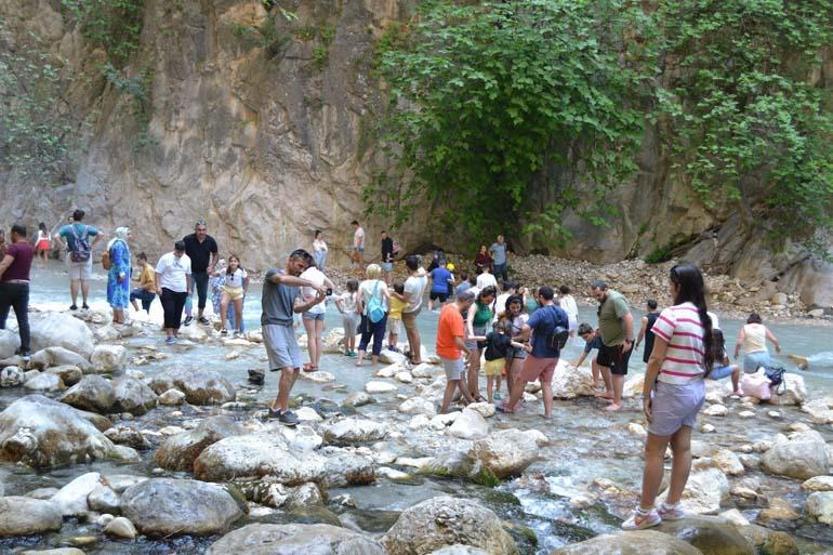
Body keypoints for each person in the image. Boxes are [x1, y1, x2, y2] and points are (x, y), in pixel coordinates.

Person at [622, 263, 714, 530]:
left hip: (673, 389)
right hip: (695, 389)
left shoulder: (671, 315)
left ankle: (645, 513)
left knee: (654, 451)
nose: (668, 287)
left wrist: (645, 394)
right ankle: (672, 506)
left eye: (670, 283)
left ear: (678, 286)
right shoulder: (705, 317)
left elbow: (655, 359)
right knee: (682, 447)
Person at [262, 249, 326, 426]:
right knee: (288, 369)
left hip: (287, 326)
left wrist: (313, 303)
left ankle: (275, 408)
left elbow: (297, 308)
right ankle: (285, 411)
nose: (300, 270)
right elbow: (282, 280)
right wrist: (311, 283)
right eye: (299, 266)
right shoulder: (273, 274)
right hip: (272, 324)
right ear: (290, 260)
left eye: (303, 269)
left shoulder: (296, 286)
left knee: (297, 368)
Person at [499, 286, 568, 418]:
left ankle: (509, 408)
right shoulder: (562, 312)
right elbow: (566, 332)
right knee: (546, 383)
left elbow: (525, 327)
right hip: (554, 354)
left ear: (541, 297)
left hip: (539, 354)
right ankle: (548, 414)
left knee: (521, 380)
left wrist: (526, 341)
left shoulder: (541, 312)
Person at [591, 280, 634, 412]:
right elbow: (609, 318)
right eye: (594, 296)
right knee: (601, 363)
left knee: (617, 372)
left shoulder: (616, 299)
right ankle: (610, 391)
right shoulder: (604, 301)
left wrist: (629, 340)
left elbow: (629, 318)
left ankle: (617, 402)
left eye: (598, 295)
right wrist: (600, 330)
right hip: (606, 341)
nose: (597, 298)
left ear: (606, 290)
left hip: (619, 342)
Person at [437, 290, 477, 413]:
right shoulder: (456, 316)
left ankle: (471, 401)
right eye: (470, 305)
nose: (469, 308)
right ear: (467, 302)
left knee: (459, 377)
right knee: (453, 381)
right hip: (451, 352)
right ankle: (443, 411)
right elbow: (458, 342)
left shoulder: (446, 307)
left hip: (443, 347)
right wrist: (469, 352)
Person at [56, 209, 101, 310]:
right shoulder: (87, 228)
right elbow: (100, 234)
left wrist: (64, 246)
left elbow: (56, 236)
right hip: (86, 256)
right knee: (85, 280)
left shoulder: (67, 228)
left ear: (73, 217)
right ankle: (85, 303)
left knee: (74, 280)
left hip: (73, 255)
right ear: (82, 217)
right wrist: (92, 245)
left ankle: (74, 304)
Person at [0, 224, 34, 359]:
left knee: (1, 316)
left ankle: (1, 346)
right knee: (23, 319)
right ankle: (26, 350)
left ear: (15, 233)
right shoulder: (30, 248)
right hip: (24, 287)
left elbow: (4, 264)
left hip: (8, 286)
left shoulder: (14, 248)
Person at [480, 320, 527, 404]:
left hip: (489, 361)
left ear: (496, 328)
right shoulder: (506, 338)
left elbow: (482, 339)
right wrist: (524, 346)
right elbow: (514, 343)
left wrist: (470, 337)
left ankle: (490, 400)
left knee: (489, 381)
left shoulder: (491, 335)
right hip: (500, 361)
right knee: (499, 376)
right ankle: (498, 391)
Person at [299, 263, 335, 372]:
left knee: (311, 336)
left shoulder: (304, 275)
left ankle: (312, 363)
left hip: (310, 307)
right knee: (318, 337)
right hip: (321, 308)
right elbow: (332, 286)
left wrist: (305, 299)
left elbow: (299, 290)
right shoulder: (320, 273)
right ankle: (316, 363)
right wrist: (324, 296)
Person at [155, 241, 192, 345]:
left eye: (182, 252)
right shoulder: (165, 258)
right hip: (167, 287)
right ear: (175, 249)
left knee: (178, 312)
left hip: (181, 289)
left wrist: (189, 289)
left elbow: (188, 275)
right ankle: (169, 335)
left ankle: (175, 333)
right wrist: (158, 286)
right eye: (178, 252)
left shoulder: (187, 259)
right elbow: (157, 272)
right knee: (169, 310)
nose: (180, 254)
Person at [182, 219, 218, 326]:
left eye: (203, 230)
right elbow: (180, 252)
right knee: (188, 293)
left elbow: (215, 254)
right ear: (195, 230)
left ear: (206, 230)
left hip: (204, 273)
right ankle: (188, 315)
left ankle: (200, 316)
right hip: (190, 272)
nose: (201, 232)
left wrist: (211, 266)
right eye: (199, 230)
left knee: (203, 295)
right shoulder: (188, 239)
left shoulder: (210, 241)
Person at [465, 286, 497, 401]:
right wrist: (472, 335)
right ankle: (474, 393)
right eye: (488, 300)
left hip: (482, 336)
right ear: (482, 296)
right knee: (474, 366)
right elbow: (469, 320)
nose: (490, 302)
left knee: (476, 366)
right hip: (473, 336)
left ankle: (471, 390)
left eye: (491, 300)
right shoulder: (475, 306)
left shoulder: (486, 307)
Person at [395, 255, 428, 364]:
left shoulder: (410, 282)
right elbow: (425, 272)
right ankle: (412, 352)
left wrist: (393, 293)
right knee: (410, 331)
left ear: (408, 267)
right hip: (418, 304)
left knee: (413, 332)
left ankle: (417, 358)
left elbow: (404, 299)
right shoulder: (422, 272)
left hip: (409, 309)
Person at [356, 264, 390, 366]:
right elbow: (388, 296)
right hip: (380, 313)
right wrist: (389, 309)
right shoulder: (382, 284)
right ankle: (374, 364)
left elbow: (358, 298)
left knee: (365, 337)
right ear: (378, 273)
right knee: (378, 338)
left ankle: (359, 361)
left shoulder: (363, 284)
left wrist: (360, 308)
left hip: (367, 313)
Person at [501, 294, 529, 400]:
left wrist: (513, 339)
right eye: (513, 308)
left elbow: (527, 334)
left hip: (520, 346)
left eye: (518, 307)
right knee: (508, 372)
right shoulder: (504, 317)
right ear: (508, 307)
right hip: (507, 347)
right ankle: (511, 395)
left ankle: (517, 396)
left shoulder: (524, 318)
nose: (515, 310)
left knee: (516, 373)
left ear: (521, 306)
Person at [574, 323, 612, 396]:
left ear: (592, 332)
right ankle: (596, 383)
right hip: (604, 351)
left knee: (603, 365)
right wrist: (576, 366)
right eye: (583, 338)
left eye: (586, 337)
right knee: (594, 361)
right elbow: (584, 355)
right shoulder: (589, 342)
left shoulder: (599, 333)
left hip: (612, 349)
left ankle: (610, 389)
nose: (585, 339)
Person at [106, 227, 131, 325]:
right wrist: (121, 273)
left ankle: (116, 318)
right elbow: (118, 259)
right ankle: (120, 318)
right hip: (119, 273)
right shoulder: (119, 244)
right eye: (128, 234)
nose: (129, 236)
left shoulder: (116, 243)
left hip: (116, 272)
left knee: (116, 293)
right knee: (119, 294)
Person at [219, 255, 249, 336]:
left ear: (238, 263)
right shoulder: (225, 270)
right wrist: (211, 272)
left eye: (235, 261)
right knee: (223, 304)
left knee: (238, 312)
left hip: (238, 291)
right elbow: (217, 274)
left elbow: (247, 279)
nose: (233, 263)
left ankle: (237, 329)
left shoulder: (241, 271)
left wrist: (245, 290)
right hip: (227, 290)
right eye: (231, 261)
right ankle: (223, 327)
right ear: (229, 263)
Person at [708, 329, 742, 395]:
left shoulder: (704, 345)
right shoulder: (721, 348)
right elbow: (726, 364)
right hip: (713, 373)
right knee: (736, 368)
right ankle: (736, 390)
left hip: (703, 373)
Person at [335, 279, 360, 357]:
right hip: (353, 315)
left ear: (348, 286)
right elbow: (359, 302)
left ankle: (346, 351)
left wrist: (340, 310)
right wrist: (358, 310)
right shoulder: (357, 294)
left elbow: (337, 301)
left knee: (346, 334)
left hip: (345, 314)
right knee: (353, 334)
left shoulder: (344, 294)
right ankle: (352, 351)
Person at [387, 282, 406, 352]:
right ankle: (394, 346)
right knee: (396, 333)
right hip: (396, 317)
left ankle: (390, 345)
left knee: (391, 332)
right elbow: (407, 306)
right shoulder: (402, 301)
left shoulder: (391, 297)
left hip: (389, 316)